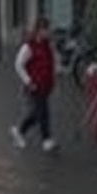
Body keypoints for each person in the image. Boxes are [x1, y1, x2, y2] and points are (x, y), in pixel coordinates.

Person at [10, 16, 58, 152]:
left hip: (45, 85)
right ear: (39, 30)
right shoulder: (29, 46)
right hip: (34, 86)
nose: (49, 32)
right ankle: (46, 140)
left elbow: (51, 61)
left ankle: (19, 131)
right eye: (46, 29)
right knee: (43, 113)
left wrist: (56, 72)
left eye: (49, 29)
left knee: (37, 114)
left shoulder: (47, 44)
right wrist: (28, 81)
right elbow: (18, 64)